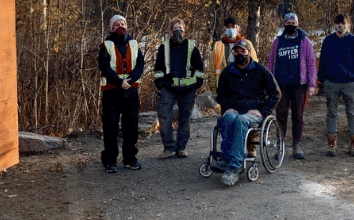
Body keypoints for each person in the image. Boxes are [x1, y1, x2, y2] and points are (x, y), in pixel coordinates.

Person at [216, 39, 280, 186]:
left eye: (243, 51)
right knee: (228, 118)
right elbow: (221, 94)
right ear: (233, 53)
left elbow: (276, 94)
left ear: (248, 53)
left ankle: (234, 166)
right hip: (234, 109)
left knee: (240, 121)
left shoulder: (260, 71)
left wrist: (262, 111)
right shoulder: (228, 72)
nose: (239, 54)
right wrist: (227, 107)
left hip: (253, 111)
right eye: (236, 51)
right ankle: (226, 159)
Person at [98, 14, 145, 173]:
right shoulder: (106, 45)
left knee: (131, 127)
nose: (120, 26)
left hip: (131, 92)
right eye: (117, 24)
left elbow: (140, 65)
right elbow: (104, 67)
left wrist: (130, 81)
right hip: (112, 92)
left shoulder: (134, 44)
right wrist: (119, 82)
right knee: (110, 128)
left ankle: (130, 159)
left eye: (123, 23)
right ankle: (110, 161)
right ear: (112, 28)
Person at [266, 13, 317, 160]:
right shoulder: (277, 41)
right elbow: (271, 62)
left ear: (297, 24)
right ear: (284, 25)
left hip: (299, 84)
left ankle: (297, 144)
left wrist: (312, 84)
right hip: (281, 84)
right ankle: (280, 145)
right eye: (287, 22)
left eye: (293, 22)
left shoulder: (304, 41)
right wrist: (270, 83)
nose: (290, 25)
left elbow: (311, 63)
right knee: (281, 114)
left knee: (298, 115)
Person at [153, 18, 205, 159]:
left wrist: (196, 84)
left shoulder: (191, 46)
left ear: (185, 30)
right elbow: (158, 68)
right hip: (168, 88)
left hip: (187, 88)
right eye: (175, 27)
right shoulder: (164, 46)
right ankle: (169, 147)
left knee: (185, 118)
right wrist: (160, 84)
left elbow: (199, 69)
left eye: (180, 27)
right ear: (171, 30)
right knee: (164, 114)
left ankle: (181, 147)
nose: (178, 30)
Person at [317, 13, 354, 157]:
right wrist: (323, 80)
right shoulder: (327, 41)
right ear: (334, 25)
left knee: (352, 113)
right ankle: (331, 144)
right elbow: (323, 62)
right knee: (331, 113)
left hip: (350, 83)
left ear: (347, 25)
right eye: (337, 24)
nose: (340, 26)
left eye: (343, 24)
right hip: (331, 83)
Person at [211, 16, 258, 94]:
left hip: (244, 86)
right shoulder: (218, 45)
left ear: (237, 28)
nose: (231, 29)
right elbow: (212, 70)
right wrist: (214, 90)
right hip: (224, 87)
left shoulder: (247, 44)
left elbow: (255, 65)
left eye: (233, 26)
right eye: (228, 27)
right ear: (224, 29)